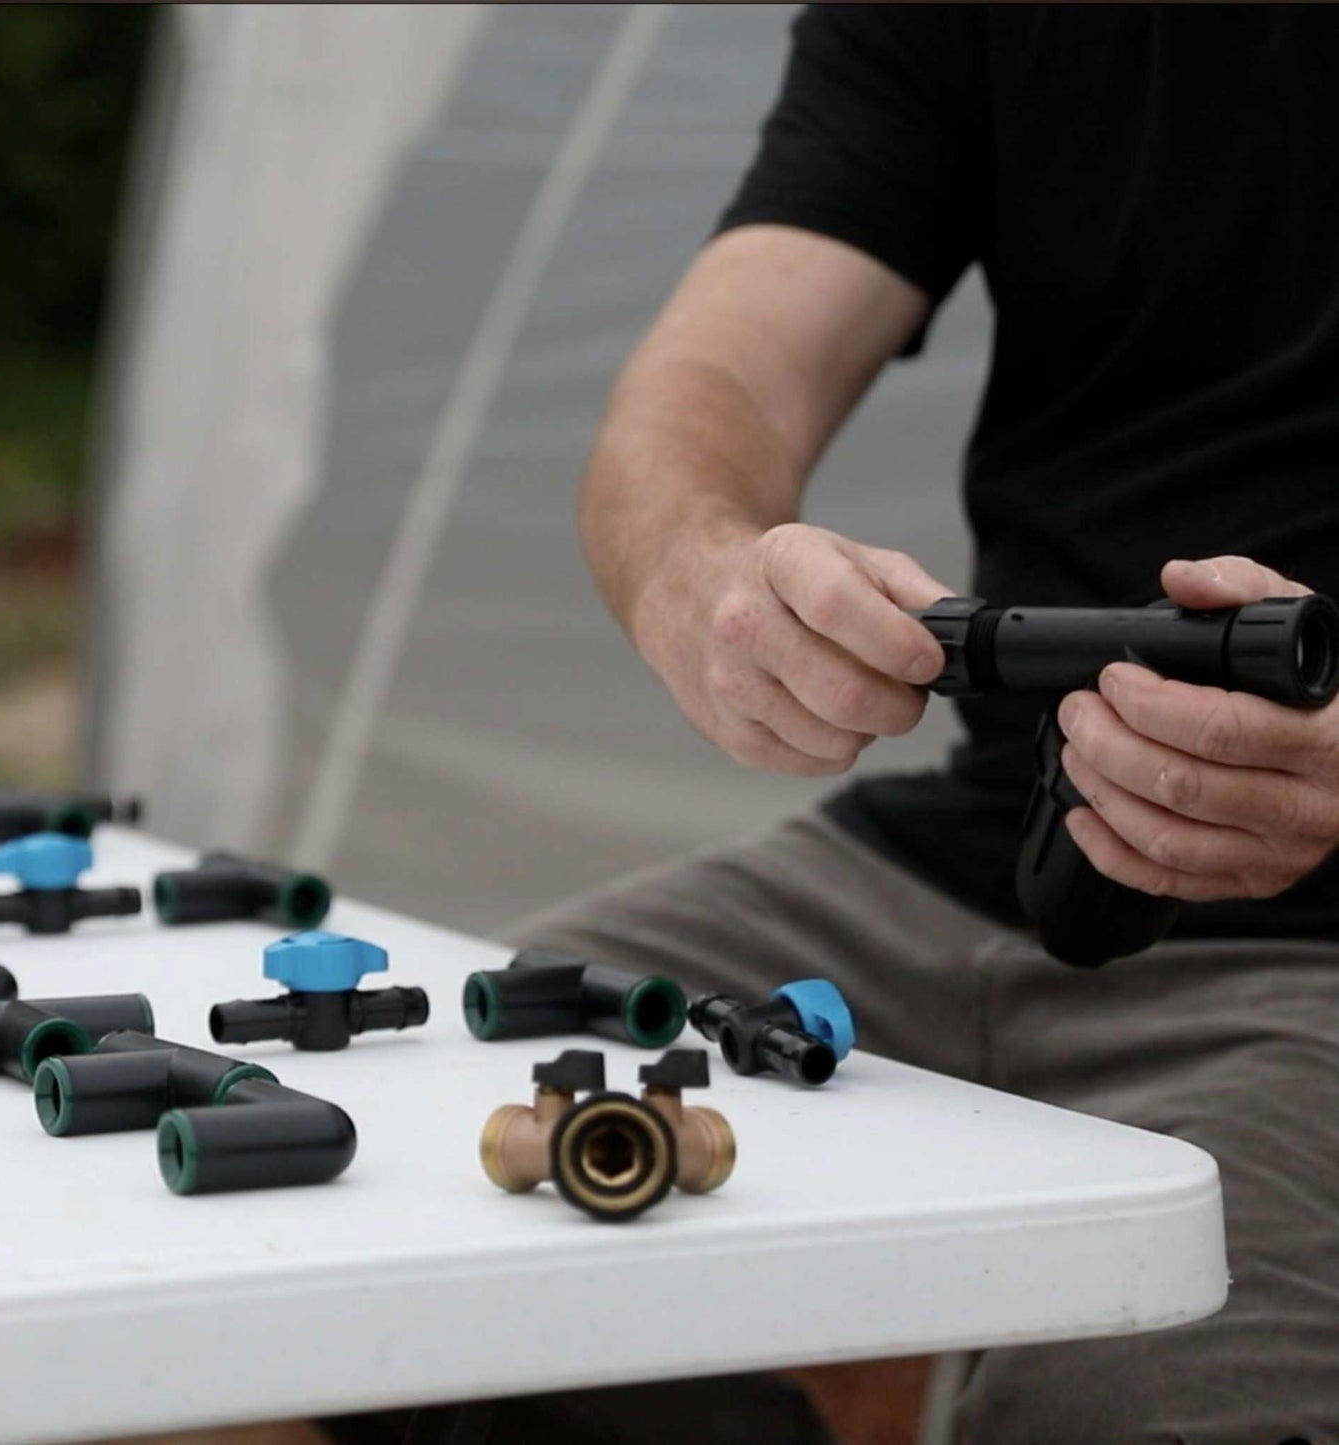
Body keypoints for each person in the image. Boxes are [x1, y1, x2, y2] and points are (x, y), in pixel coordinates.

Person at [481, 7, 1339, 1444]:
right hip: (949, 856)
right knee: (380, 1180)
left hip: (1307, 972)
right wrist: (709, 578)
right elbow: (711, 380)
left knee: (1136, 1391)